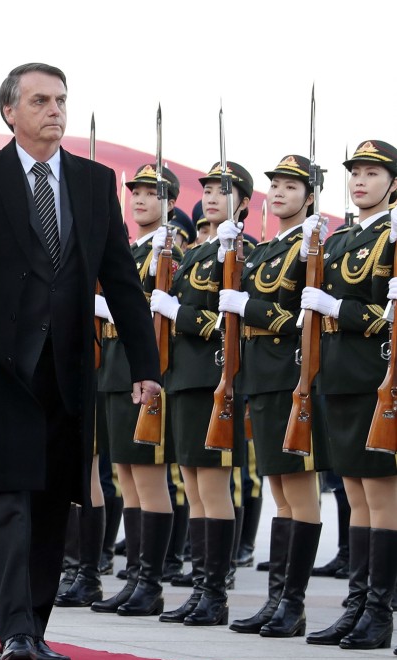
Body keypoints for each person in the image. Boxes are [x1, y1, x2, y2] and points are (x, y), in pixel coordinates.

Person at [0, 62, 160, 660]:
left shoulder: (93, 181)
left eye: (61, 100)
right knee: (7, 501)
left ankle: (37, 627)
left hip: (68, 368)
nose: (55, 110)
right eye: (41, 100)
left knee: (54, 502)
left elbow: (123, 283)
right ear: (10, 112)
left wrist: (145, 364)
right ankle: (14, 632)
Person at [296, 140, 397, 649]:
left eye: (373, 173)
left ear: (393, 182)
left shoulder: (392, 235)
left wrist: (337, 308)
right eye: (355, 172)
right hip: (335, 376)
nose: (360, 181)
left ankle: (379, 612)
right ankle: (357, 606)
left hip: (373, 377)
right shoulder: (338, 237)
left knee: (381, 497)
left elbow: (385, 316)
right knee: (355, 496)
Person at [221, 154, 326, 637]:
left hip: (291, 376)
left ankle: (294, 604)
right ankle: (277, 599)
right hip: (260, 377)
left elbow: (303, 320)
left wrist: (252, 307)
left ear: (311, 195)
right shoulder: (265, 249)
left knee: (298, 492)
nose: (279, 193)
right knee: (279, 491)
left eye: (291, 186)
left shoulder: (310, 246)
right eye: (276, 185)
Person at [151, 161, 254, 626]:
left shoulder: (240, 252)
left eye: (224, 190)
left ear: (245, 204)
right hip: (180, 378)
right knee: (191, 485)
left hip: (212, 379)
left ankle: (215, 592)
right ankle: (199, 587)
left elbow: (228, 324)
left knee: (212, 487)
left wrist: (180, 314)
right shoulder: (193, 252)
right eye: (209, 189)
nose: (212, 196)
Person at [85, 164, 184, 617]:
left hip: (138, 368)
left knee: (147, 474)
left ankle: (151, 581)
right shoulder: (126, 246)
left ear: (170, 201)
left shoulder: (170, 251)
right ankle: (133, 576)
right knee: (125, 475)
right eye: (137, 193)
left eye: (152, 193)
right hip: (110, 368)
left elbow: (165, 313)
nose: (140, 200)